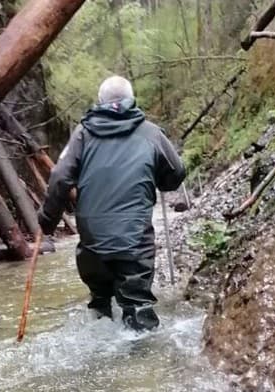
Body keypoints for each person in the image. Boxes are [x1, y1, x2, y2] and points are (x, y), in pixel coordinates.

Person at [37, 76, 186, 331]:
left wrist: (47, 221)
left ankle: (99, 328)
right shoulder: (151, 133)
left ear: (100, 101)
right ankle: (142, 363)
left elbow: (60, 177)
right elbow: (176, 175)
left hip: (92, 243)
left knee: (100, 303)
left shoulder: (82, 134)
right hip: (134, 241)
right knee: (138, 306)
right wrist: (158, 179)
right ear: (131, 99)